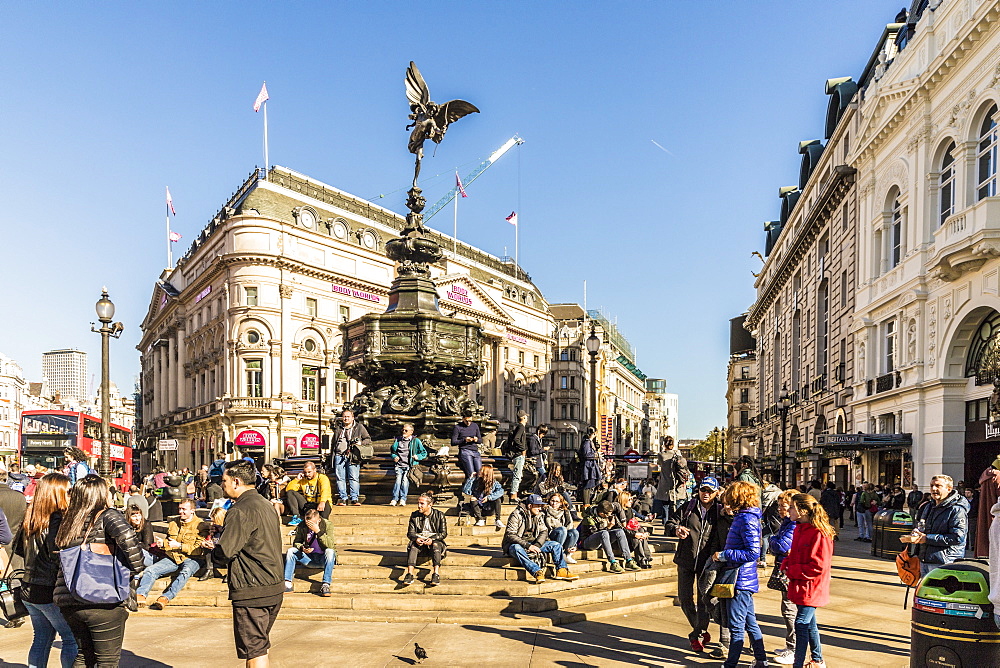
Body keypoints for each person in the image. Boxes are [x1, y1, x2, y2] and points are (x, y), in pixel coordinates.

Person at [54, 474, 145, 668]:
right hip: (102, 597)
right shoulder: (107, 515)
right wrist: (136, 568)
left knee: (83, 656)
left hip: (70, 599)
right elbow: (129, 539)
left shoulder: (69, 519)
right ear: (101, 495)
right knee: (107, 661)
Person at [212, 459, 284, 668]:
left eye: (223, 480)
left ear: (236, 481)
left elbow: (225, 552)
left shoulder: (240, 510)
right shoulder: (265, 504)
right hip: (272, 584)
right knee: (259, 645)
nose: (221, 484)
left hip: (252, 588)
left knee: (254, 649)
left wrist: (212, 550)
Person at [11, 472, 78, 668]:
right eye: (67, 491)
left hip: (28, 587)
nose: (70, 495)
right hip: (48, 589)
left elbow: (21, 551)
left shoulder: (30, 518)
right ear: (56, 494)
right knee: (70, 638)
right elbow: (58, 555)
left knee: (41, 638)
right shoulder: (56, 521)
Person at [666, 475, 732, 657]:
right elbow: (670, 523)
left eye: (710, 491)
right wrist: (676, 529)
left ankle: (696, 635)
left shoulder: (720, 511)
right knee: (685, 598)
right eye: (703, 490)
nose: (706, 494)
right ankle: (700, 629)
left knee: (704, 601)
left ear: (716, 493)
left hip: (707, 563)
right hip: (686, 559)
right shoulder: (688, 507)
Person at [713, 480, 768, 668]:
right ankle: (761, 659)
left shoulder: (746, 519)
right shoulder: (745, 517)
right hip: (742, 578)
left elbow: (753, 552)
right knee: (750, 623)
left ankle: (731, 665)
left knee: (737, 627)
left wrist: (724, 555)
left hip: (739, 580)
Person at [781, 493, 835, 668]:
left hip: (812, 586)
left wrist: (791, 570)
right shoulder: (799, 528)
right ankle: (818, 659)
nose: (788, 510)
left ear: (802, 510)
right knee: (809, 623)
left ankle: (798, 663)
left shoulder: (820, 533)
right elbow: (794, 553)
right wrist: (786, 564)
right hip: (800, 584)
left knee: (801, 623)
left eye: (791, 507)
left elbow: (818, 566)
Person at [137, 498, 210, 609]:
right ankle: (141, 594)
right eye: (180, 509)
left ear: (193, 510)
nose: (181, 512)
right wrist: (163, 544)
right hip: (173, 556)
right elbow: (170, 541)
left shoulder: (201, 525)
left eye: (184, 509)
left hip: (193, 558)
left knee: (185, 572)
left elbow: (198, 550)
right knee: (150, 570)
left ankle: (165, 597)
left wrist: (179, 546)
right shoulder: (173, 523)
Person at [900, 474, 970, 577]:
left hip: (944, 561)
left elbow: (957, 537)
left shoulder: (957, 510)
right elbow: (922, 525)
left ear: (949, 489)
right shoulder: (929, 506)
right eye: (931, 485)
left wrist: (927, 538)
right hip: (925, 559)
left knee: (937, 592)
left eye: (938, 486)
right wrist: (917, 532)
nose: (933, 489)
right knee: (925, 592)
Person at [502, 494, 578, 583]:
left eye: (541, 506)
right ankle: (537, 571)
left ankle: (562, 570)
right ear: (530, 506)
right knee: (516, 548)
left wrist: (537, 545)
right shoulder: (516, 514)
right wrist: (527, 546)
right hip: (517, 544)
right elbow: (510, 534)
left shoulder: (539, 515)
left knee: (556, 545)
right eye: (537, 506)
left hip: (533, 543)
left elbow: (544, 531)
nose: (540, 508)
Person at [769, 489, 799, 665]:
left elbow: (781, 545)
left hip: (790, 570)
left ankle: (793, 648)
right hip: (784, 567)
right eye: (779, 506)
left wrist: (773, 540)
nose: (780, 509)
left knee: (790, 610)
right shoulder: (787, 523)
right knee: (787, 608)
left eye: (784, 506)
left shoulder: (793, 525)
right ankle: (791, 646)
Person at [283, 508, 336, 597]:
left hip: (322, 558)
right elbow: (296, 542)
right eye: (308, 523)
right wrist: (302, 548)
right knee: (291, 551)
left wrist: (318, 531)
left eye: (312, 523)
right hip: (309, 558)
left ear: (318, 520)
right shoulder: (302, 525)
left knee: (330, 552)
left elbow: (330, 545)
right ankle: (287, 583)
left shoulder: (327, 524)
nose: (309, 526)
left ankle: (326, 584)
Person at [579, 499, 637, 573]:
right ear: (601, 513)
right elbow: (595, 533)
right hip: (588, 542)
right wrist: (609, 527)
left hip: (603, 538)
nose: (610, 515)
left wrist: (633, 534)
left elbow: (621, 527)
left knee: (619, 532)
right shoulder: (589, 518)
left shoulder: (608, 514)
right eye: (608, 514)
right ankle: (613, 562)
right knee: (604, 533)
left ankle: (629, 560)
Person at [403, 492, 448, 586]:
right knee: (414, 546)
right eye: (418, 503)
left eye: (422, 504)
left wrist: (432, 539)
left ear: (430, 504)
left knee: (436, 545)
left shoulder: (439, 515)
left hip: (434, 542)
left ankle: (436, 574)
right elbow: (410, 533)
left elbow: (443, 533)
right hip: (420, 542)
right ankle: (410, 574)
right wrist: (416, 538)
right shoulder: (414, 515)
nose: (419, 506)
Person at [329, 409, 372, 506]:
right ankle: (343, 498)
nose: (346, 418)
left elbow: (368, 439)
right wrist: (332, 456)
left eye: (348, 416)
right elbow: (333, 444)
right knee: (340, 478)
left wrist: (360, 443)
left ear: (352, 418)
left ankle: (354, 498)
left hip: (353, 456)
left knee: (353, 477)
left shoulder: (359, 427)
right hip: (339, 456)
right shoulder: (339, 429)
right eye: (344, 416)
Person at [283, 461, 332, 525]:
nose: (307, 474)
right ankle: (296, 517)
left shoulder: (322, 478)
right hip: (308, 504)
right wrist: (296, 479)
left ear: (315, 470)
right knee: (290, 493)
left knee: (326, 503)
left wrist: (322, 502)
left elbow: (325, 491)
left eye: (309, 472)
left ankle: (322, 522)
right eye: (305, 472)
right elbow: (288, 489)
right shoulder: (303, 480)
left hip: (321, 503)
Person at [390, 423, 428, 506]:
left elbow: (424, 453)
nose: (404, 431)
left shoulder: (416, 441)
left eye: (406, 430)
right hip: (399, 465)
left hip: (409, 466)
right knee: (398, 481)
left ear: (411, 432)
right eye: (403, 430)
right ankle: (394, 499)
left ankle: (403, 499)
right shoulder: (398, 440)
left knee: (404, 481)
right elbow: (393, 451)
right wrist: (394, 456)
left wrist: (417, 457)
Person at [654, 437, 685, 523]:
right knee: (677, 506)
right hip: (677, 484)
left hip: (665, 485)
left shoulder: (661, 455)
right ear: (673, 444)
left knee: (665, 506)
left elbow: (659, 463)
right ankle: (676, 523)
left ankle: (666, 526)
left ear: (664, 444)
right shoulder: (678, 454)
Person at [462, 465, 505, 529]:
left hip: (489, 508)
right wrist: (471, 478)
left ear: (486, 473)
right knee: (472, 499)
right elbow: (466, 491)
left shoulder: (494, 483)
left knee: (498, 498)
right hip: (478, 508)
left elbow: (501, 491)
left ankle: (498, 520)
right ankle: (480, 519)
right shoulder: (476, 481)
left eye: (481, 470)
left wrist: (489, 497)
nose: (479, 471)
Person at [618, 490, 653, 569]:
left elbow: (634, 525)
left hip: (630, 534)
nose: (631, 501)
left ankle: (646, 557)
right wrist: (635, 534)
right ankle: (641, 559)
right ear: (624, 500)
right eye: (629, 500)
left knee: (641, 531)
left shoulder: (630, 510)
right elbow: (622, 529)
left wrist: (642, 533)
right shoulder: (619, 512)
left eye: (631, 499)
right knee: (635, 536)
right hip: (622, 538)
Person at [542, 492, 579, 564]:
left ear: (561, 503)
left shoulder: (566, 512)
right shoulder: (544, 512)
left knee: (574, 532)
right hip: (550, 536)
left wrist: (574, 545)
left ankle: (567, 554)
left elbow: (570, 526)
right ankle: (557, 554)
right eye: (552, 501)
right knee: (562, 529)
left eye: (557, 501)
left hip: (564, 536)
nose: (554, 503)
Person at [451, 410, 483, 482]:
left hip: (475, 451)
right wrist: (464, 440)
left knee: (481, 473)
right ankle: (472, 490)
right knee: (471, 474)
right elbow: (453, 442)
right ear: (463, 419)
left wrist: (476, 440)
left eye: (470, 421)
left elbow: (481, 440)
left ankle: (479, 491)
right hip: (465, 451)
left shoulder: (475, 426)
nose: (468, 423)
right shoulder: (458, 427)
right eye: (466, 421)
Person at [507, 410, 529, 501]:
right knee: (517, 475)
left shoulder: (519, 427)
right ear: (523, 418)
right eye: (526, 416)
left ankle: (514, 494)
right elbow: (516, 439)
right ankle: (513, 495)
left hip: (518, 454)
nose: (527, 418)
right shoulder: (521, 427)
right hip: (519, 455)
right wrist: (523, 448)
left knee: (518, 474)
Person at [127, 503, 157, 568]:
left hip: (147, 554)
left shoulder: (146, 525)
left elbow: (147, 546)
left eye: (139, 515)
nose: (137, 518)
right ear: (129, 517)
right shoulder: (127, 527)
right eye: (134, 516)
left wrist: (134, 544)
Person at [579, 427, 602, 506]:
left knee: (590, 484)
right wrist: (596, 455)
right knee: (588, 485)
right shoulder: (587, 442)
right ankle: (586, 503)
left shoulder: (588, 442)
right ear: (594, 433)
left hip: (590, 466)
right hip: (588, 467)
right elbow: (586, 454)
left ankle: (588, 502)